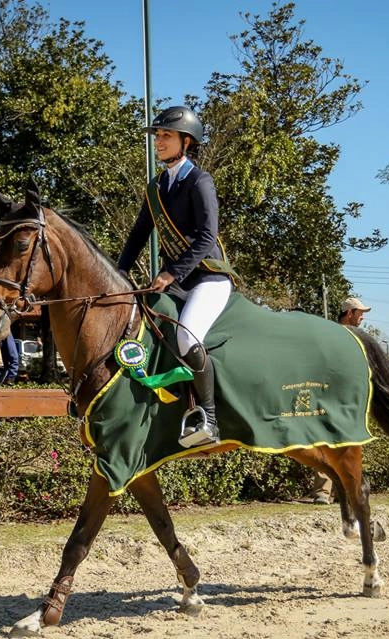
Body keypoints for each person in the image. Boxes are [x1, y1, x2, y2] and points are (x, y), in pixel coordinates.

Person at [117, 105, 238, 448]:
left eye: (165, 136)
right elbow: (139, 234)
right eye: (157, 135)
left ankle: (209, 418)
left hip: (208, 278)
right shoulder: (156, 186)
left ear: (186, 141)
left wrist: (171, 272)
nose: (158, 141)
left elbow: (206, 237)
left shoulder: (200, 181)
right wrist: (119, 271)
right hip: (178, 281)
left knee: (187, 339)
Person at [303, 296, 375, 504]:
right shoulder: (333, 334)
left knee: (347, 445)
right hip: (330, 395)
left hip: (349, 398)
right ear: (349, 313)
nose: (362, 316)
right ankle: (323, 493)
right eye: (360, 312)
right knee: (325, 441)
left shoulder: (359, 337)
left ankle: (341, 493)